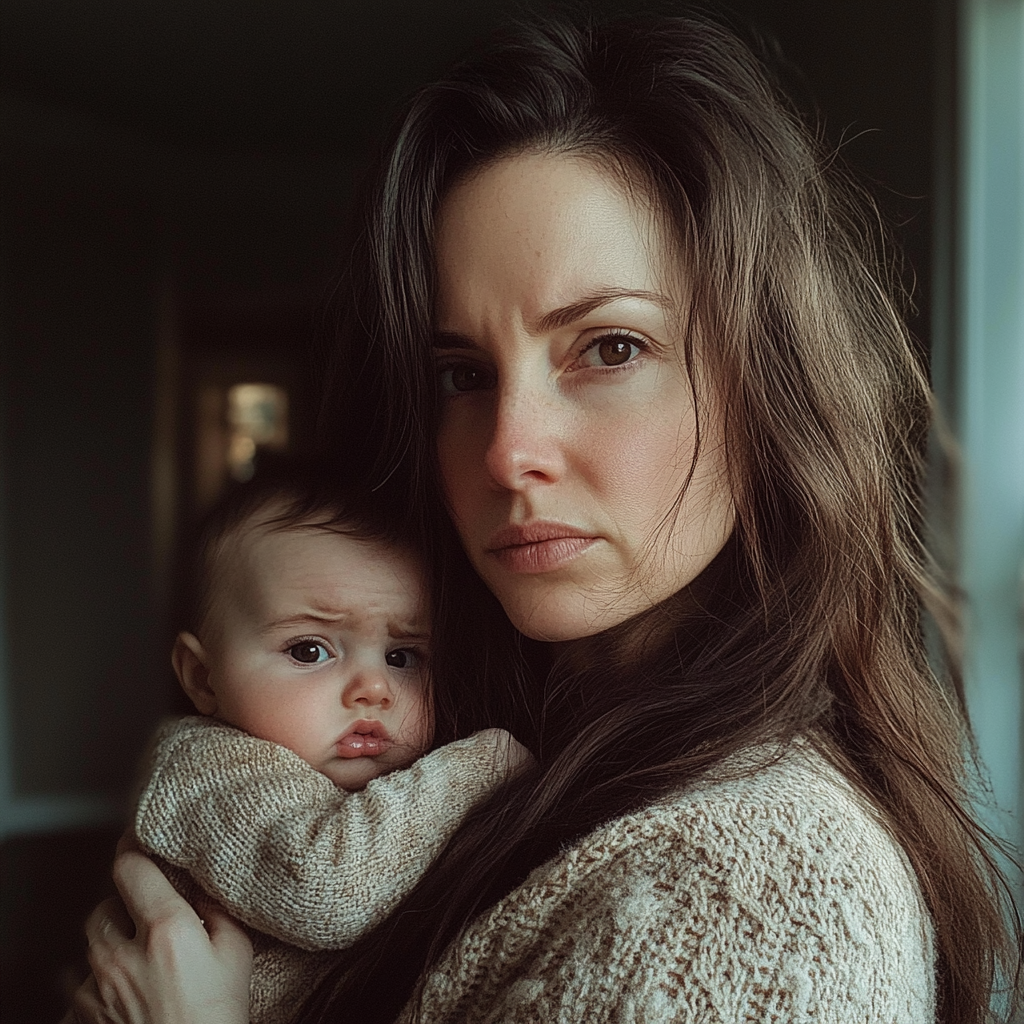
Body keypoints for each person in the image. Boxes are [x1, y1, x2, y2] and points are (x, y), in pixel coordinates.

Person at [69, 10, 1021, 1024]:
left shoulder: (753, 891)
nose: (505, 447)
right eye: (463, 373)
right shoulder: (485, 740)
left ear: (764, 385)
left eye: (608, 349)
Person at [123, 472, 530, 1024]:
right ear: (203, 678)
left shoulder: (387, 784)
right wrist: (484, 766)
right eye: (310, 650)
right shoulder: (204, 769)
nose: (374, 689)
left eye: (403, 656)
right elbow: (322, 891)